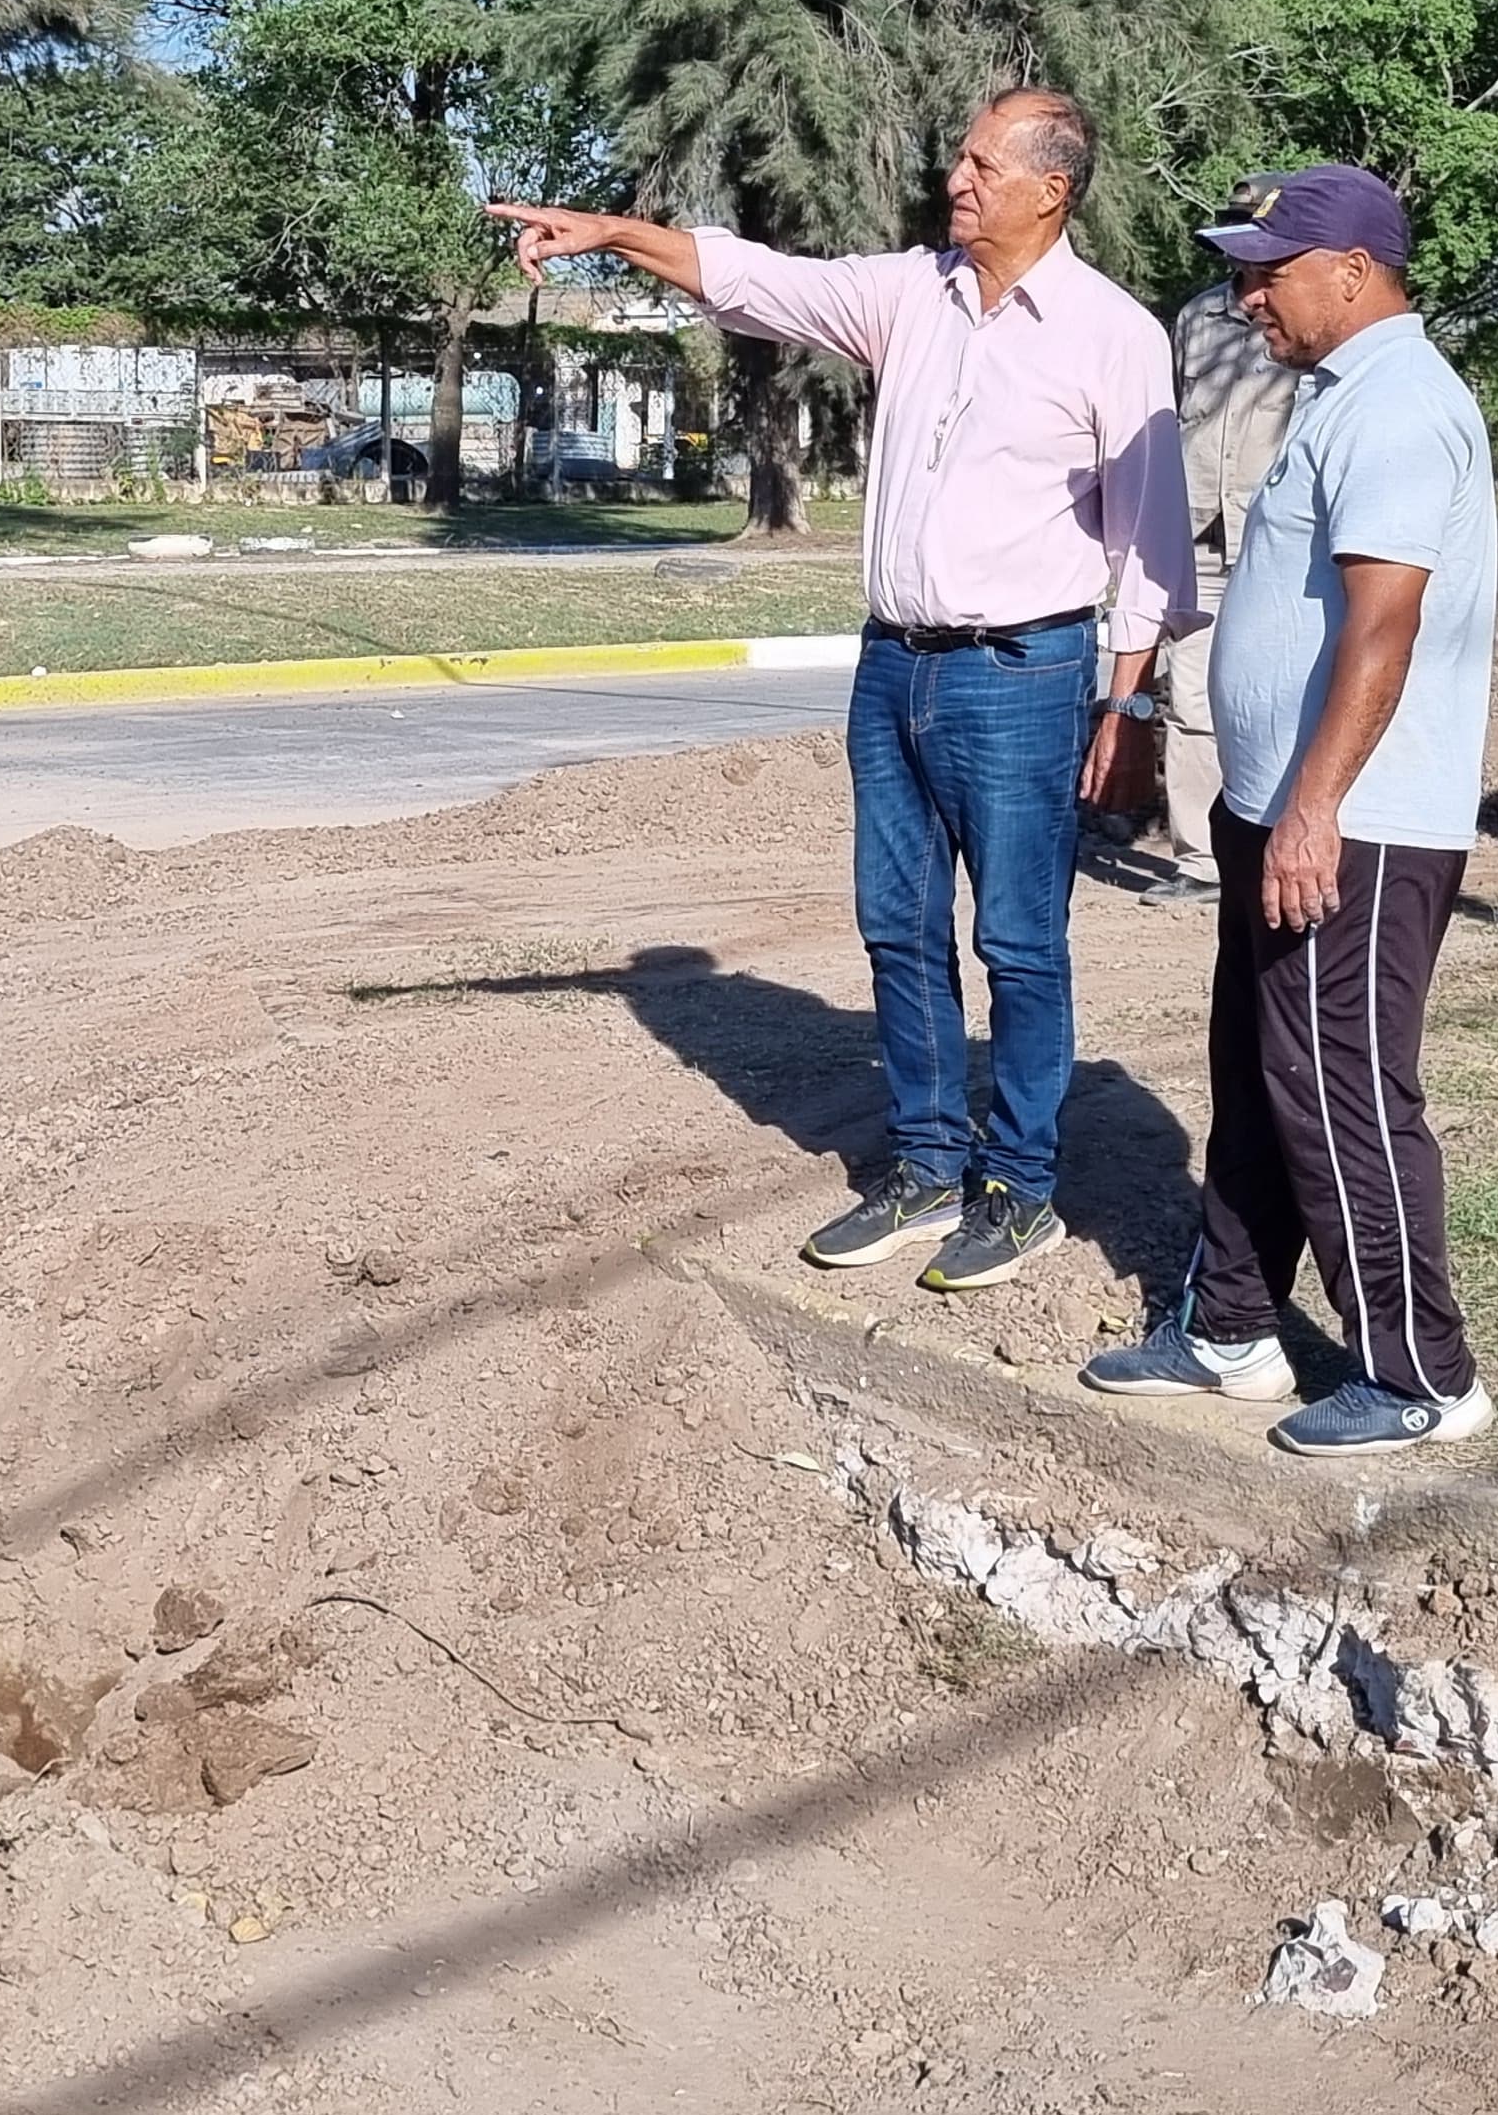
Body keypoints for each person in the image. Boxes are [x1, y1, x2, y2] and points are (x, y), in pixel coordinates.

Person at [487, 91, 1195, 1294]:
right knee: (897, 926)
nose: (955, 180)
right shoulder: (909, 294)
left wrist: (1126, 710)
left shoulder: (1111, 333)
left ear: (1050, 190)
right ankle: (926, 1165)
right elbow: (753, 276)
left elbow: (1150, 543)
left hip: (1022, 676)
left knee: (1019, 942)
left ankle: (1019, 1187)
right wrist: (611, 234)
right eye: (959, 159)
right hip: (893, 668)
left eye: (981, 165)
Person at [1078, 165, 1498, 1457]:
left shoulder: (1400, 406)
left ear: (1354, 273)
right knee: (1260, 1079)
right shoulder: (1338, 395)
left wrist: (1315, 809)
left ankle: (1422, 1377)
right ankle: (1230, 1326)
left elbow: (1383, 629)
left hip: (1358, 824)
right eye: (1240, 272)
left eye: (1269, 273)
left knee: (1343, 1090)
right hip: (1283, 808)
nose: (1246, 296)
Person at [1140, 257, 1304, 907]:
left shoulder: (1299, 313)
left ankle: (1279, 843)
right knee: (1190, 698)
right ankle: (1201, 861)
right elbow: (1175, 416)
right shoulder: (1197, 316)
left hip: (1273, 536)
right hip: (1198, 534)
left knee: (1278, 695)